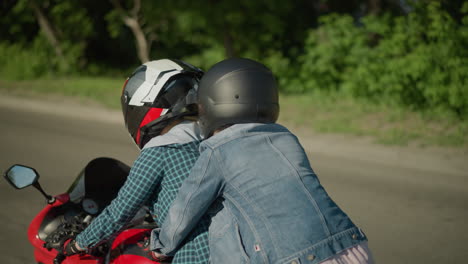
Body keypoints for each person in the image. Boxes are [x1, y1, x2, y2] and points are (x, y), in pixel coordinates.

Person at [151, 58, 374, 264]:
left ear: (211, 105)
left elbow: (186, 208)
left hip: (294, 257)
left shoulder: (217, 151)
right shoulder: (286, 137)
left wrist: (161, 245)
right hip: (352, 245)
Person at [65, 59, 211, 263]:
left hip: (194, 256)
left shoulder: (161, 149)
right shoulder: (211, 143)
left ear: (146, 101)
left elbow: (120, 212)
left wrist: (77, 244)